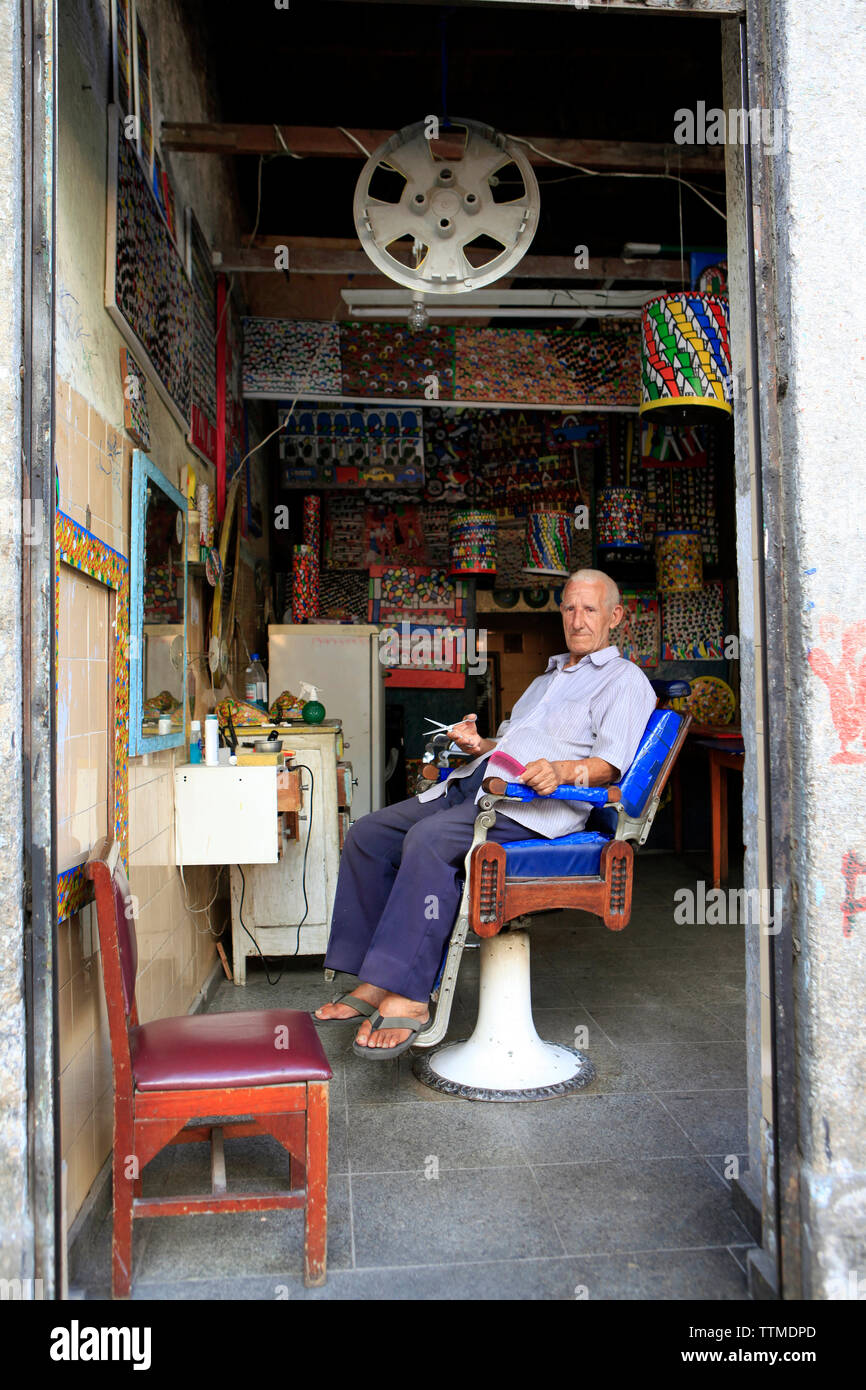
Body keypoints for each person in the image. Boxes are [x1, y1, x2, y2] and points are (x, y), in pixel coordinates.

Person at [313, 569, 657, 1057]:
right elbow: (511, 744)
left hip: (538, 804)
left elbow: (608, 766)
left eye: (591, 609)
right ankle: (373, 978)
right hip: (483, 780)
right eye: (570, 608)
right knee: (369, 834)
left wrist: (560, 770)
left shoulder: (625, 682)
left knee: (429, 841)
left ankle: (409, 994)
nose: (578, 620)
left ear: (615, 616)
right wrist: (482, 744)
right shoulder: (548, 677)